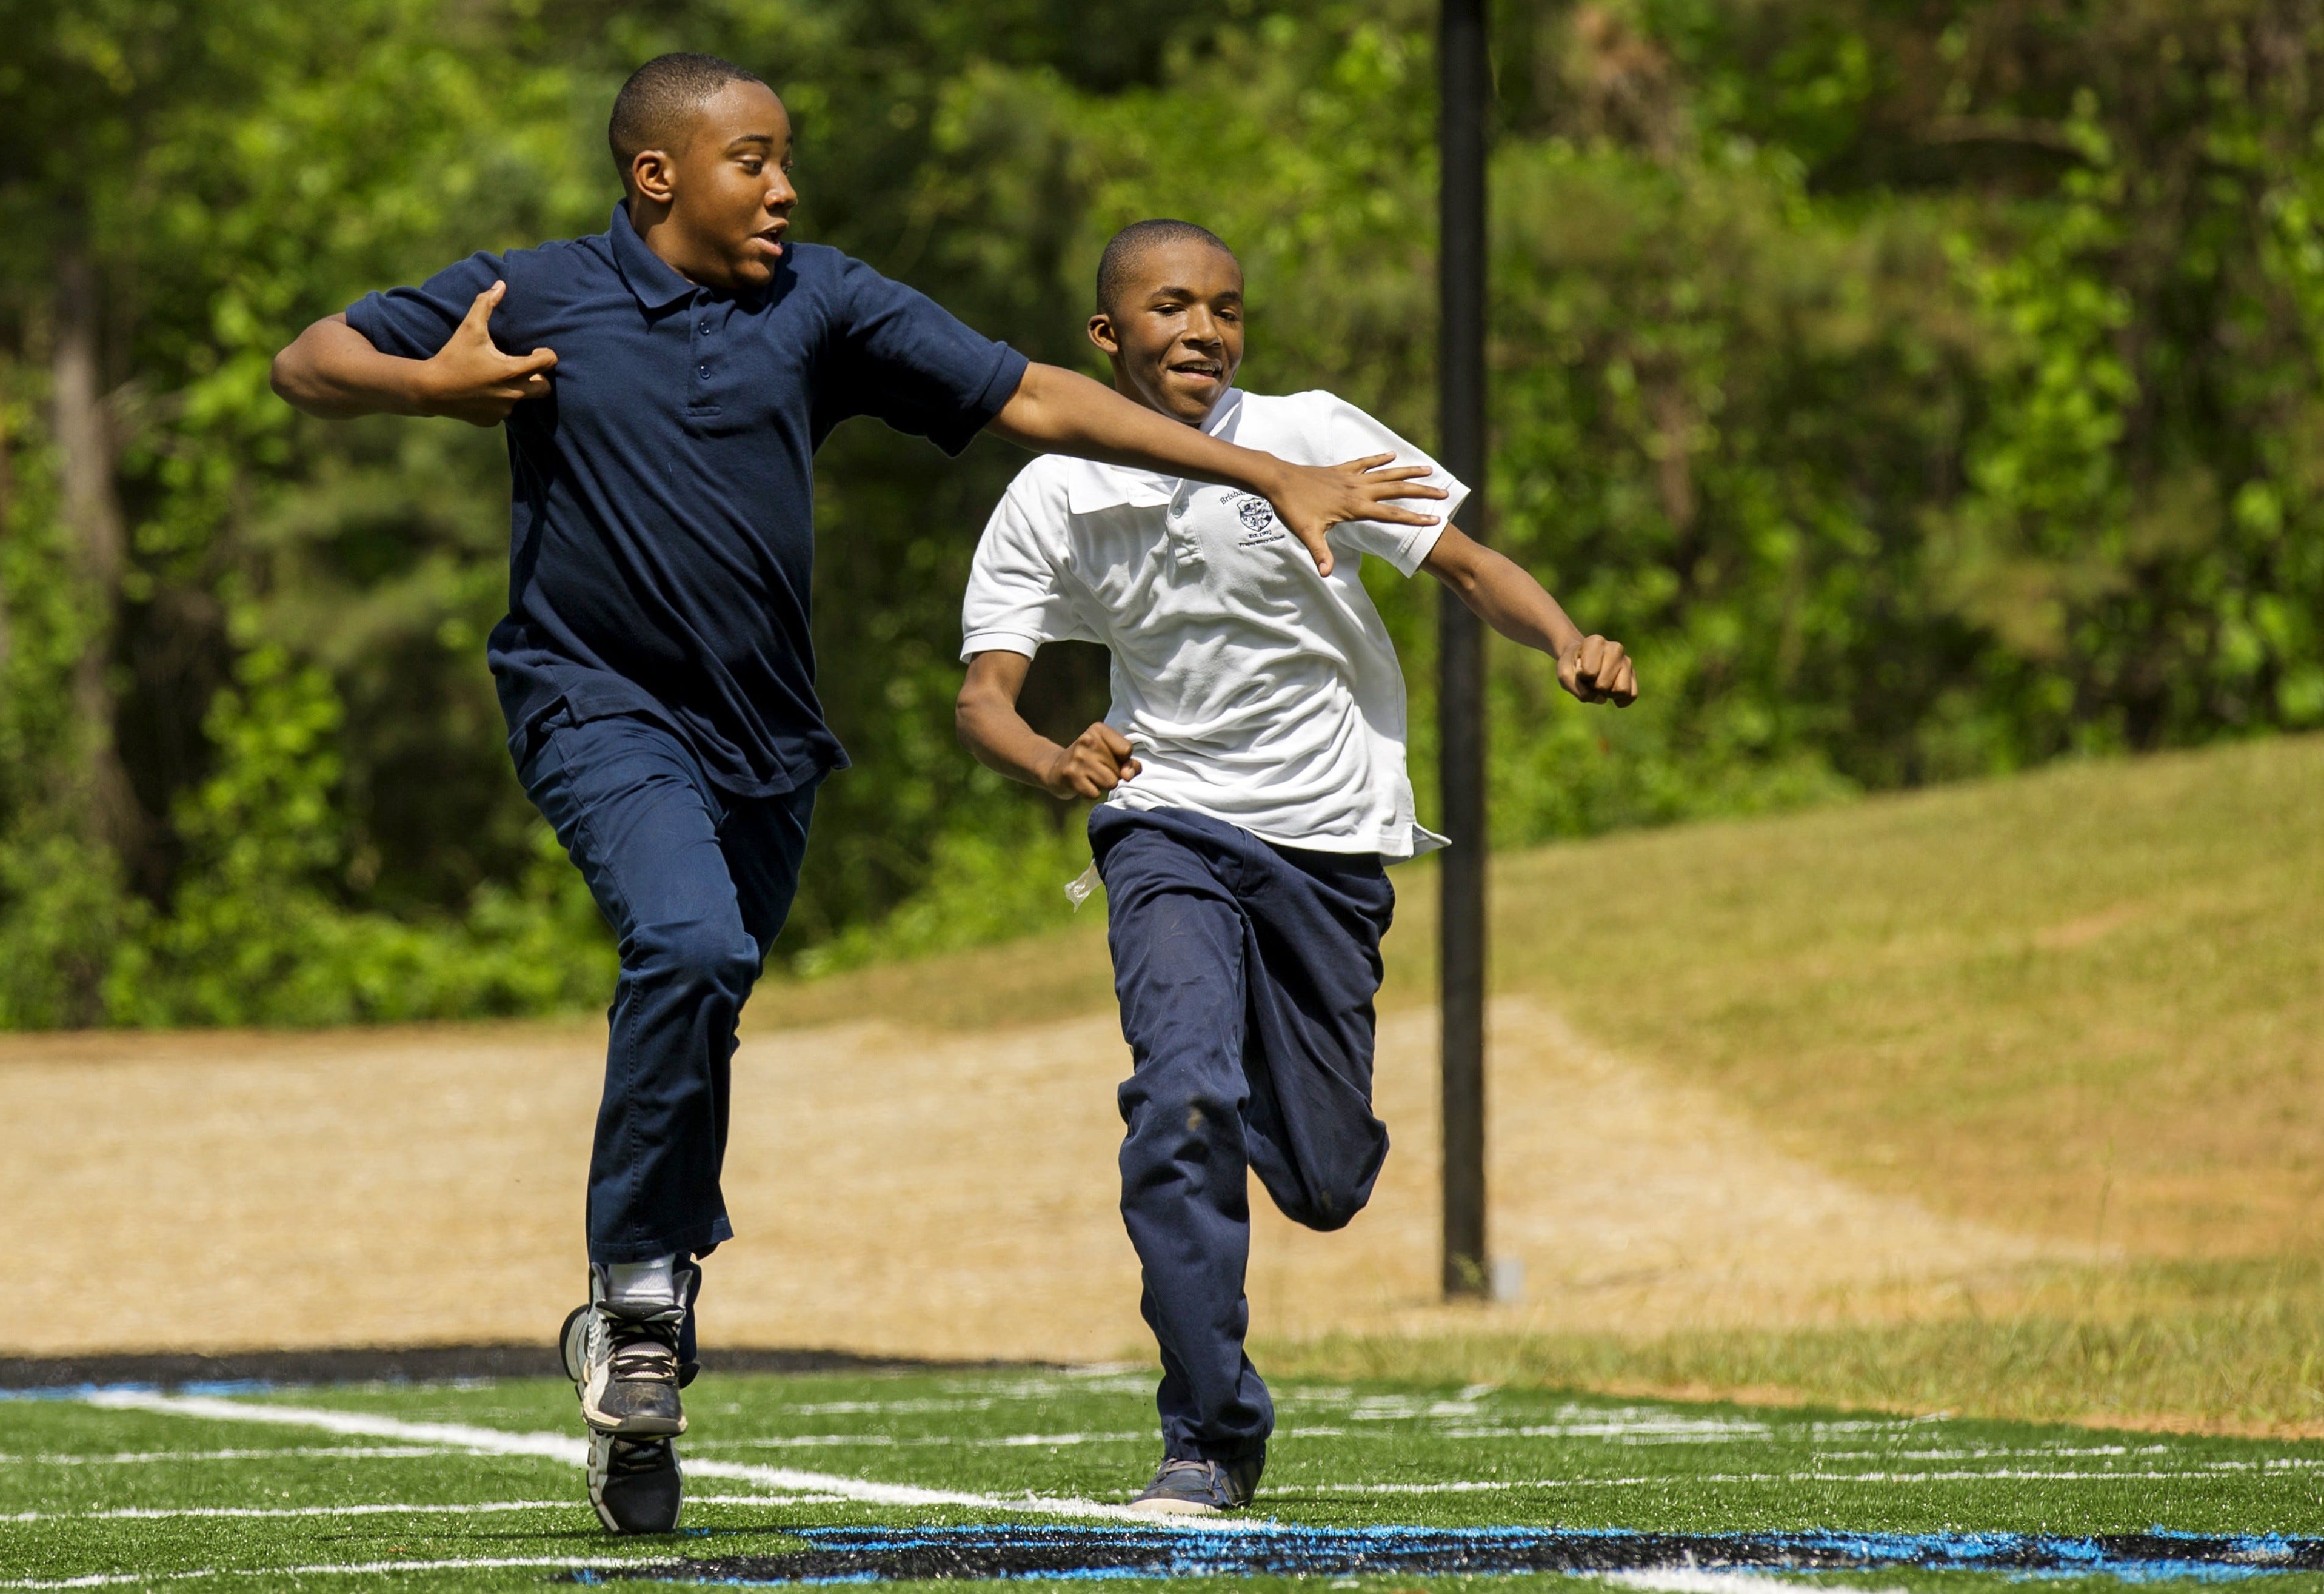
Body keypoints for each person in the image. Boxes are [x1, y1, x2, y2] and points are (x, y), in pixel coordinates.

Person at [267, 58, 1448, 1534]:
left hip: (766, 737)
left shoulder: (816, 299)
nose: (785, 189)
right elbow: (308, 358)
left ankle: (642, 1325)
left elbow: (1032, 392)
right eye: (753, 163)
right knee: (688, 947)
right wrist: (430, 383)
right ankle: (637, 1302)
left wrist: (1248, 468)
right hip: (593, 705)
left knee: (715, 984)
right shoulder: (539, 291)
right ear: (658, 177)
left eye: (785, 162)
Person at [952, 219, 1638, 1515]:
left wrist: (1562, 635)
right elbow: (982, 698)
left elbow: (1468, 565)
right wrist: (1052, 763)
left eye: (1225, 308)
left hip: (1328, 842)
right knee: (1180, 1102)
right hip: (1169, 829)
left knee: (1323, 1183)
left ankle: (1244, 1106)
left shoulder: (1316, 431)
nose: (1203, 329)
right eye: (1168, 307)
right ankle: (1207, 1432)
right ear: (1107, 337)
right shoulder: (1053, 491)